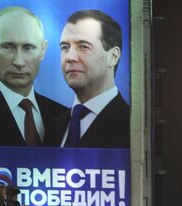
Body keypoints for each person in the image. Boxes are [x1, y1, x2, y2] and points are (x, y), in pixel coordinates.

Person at [0, 6, 67, 147]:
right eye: (8, 47)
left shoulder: (63, 117)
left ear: (43, 50)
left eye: (28, 48)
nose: (19, 62)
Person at [45, 9, 130, 148]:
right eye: (65, 47)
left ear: (113, 57)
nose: (70, 57)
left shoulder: (133, 125)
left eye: (84, 46)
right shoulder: (54, 126)